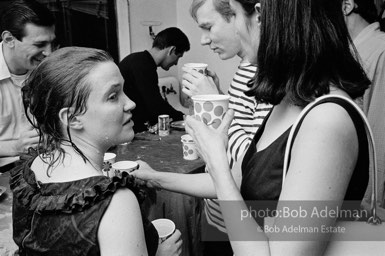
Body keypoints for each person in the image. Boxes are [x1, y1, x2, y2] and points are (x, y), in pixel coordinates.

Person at [184, 0, 371, 254]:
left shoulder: (326, 120)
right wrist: (154, 177)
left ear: (260, 15)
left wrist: (217, 164)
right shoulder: (287, 100)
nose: (236, 28)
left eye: (236, 15)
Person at [10, 47, 182, 256]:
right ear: (72, 118)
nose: (130, 103)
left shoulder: (31, 169)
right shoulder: (116, 203)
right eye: (112, 96)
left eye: (123, 91)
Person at [182, 0, 270, 254]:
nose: (203, 40)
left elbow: (253, 168)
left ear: (238, 17)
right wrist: (219, 96)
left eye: (208, 27)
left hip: (243, 227)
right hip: (218, 214)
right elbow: (241, 125)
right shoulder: (246, 64)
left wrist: (213, 102)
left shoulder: (268, 75)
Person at [0, 0, 56, 173]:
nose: (49, 53)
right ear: (9, 39)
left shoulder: (47, 69)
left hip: (45, 166)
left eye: (51, 43)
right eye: (40, 45)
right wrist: (14, 146)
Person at [343, 0, 385, 207]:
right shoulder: (346, 55)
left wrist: (368, 209)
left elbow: (378, 142)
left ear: (347, 5)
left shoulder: (381, 52)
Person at [119, 27, 190, 133]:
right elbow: (156, 106)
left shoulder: (138, 60)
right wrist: (185, 118)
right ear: (172, 50)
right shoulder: (143, 65)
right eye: (178, 57)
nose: (176, 63)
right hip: (128, 128)